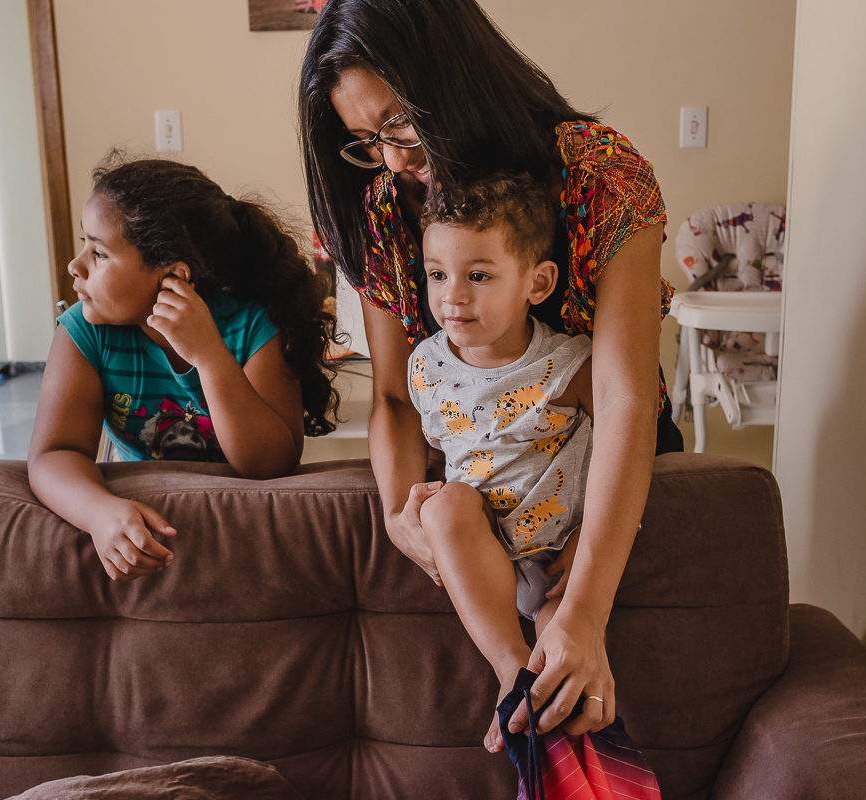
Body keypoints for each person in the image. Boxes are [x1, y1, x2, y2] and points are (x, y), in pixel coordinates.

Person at [299, 0, 684, 744]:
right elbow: (390, 394)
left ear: (453, 78)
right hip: (482, 465)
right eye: (365, 142)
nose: (393, 160)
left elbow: (626, 398)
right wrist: (397, 511)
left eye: (401, 124)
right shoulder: (382, 205)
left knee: (582, 671)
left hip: (597, 446)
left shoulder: (598, 172)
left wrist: (588, 607)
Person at [28, 156, 338, 582]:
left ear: (173, 276)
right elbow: (52, 455)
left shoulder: (251, 327)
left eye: (98, 252)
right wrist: (99, 513)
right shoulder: (85, 331)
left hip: (238, 539)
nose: (75, 266)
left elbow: (270, 465)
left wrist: (209, 357)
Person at [410, 173, 596, 752]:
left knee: (564, 674)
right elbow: (446, 457)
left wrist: (587, 539)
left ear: (536, 283)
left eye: (479, 275)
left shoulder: (572, 364)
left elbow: (625, 451)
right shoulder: (425, 368)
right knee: (444, 508)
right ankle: (509, 670)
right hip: (484, 549)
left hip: (559, 554)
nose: (452, 296)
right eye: (438, 274)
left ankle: (547, 718)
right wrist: (425, 502)